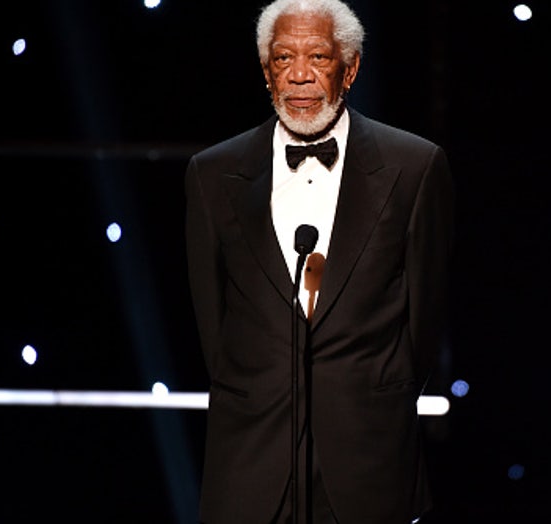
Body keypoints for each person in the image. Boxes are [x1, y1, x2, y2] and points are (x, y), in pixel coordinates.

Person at [184, 0, 454, 522]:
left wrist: (365, 394)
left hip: (368, 462)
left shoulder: (415, 167)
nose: (300, 76)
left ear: (349, 69)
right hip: (250, 462)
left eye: (318, 58)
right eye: (283, 59)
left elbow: (423, 324)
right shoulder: (211, 174)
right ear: (266, 71)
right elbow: (215, 333)